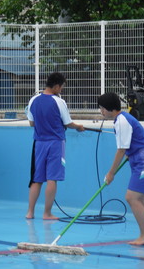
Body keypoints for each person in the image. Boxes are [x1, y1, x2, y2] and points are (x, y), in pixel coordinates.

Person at [98, 92, 144, 246]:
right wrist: (130, 154)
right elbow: (130, 145)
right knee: (143, 200)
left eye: (102, 108)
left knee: (132, 197)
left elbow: (121, 149)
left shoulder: (122, 121)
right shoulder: (122, 119)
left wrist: (111, 173)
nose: (101, 111)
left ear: (109, 108)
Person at [26, 72, 84, 220]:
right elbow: (68, 123)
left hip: (39, 143)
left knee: (36, 178)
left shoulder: (33, 100)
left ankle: (30, 212)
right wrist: (78, 127)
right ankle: (47, 213)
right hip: (56, 143)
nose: (61, 90)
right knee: (52, 178)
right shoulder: (59, 102)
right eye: (61, 87)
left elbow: (31, 123)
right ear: (57, 86)